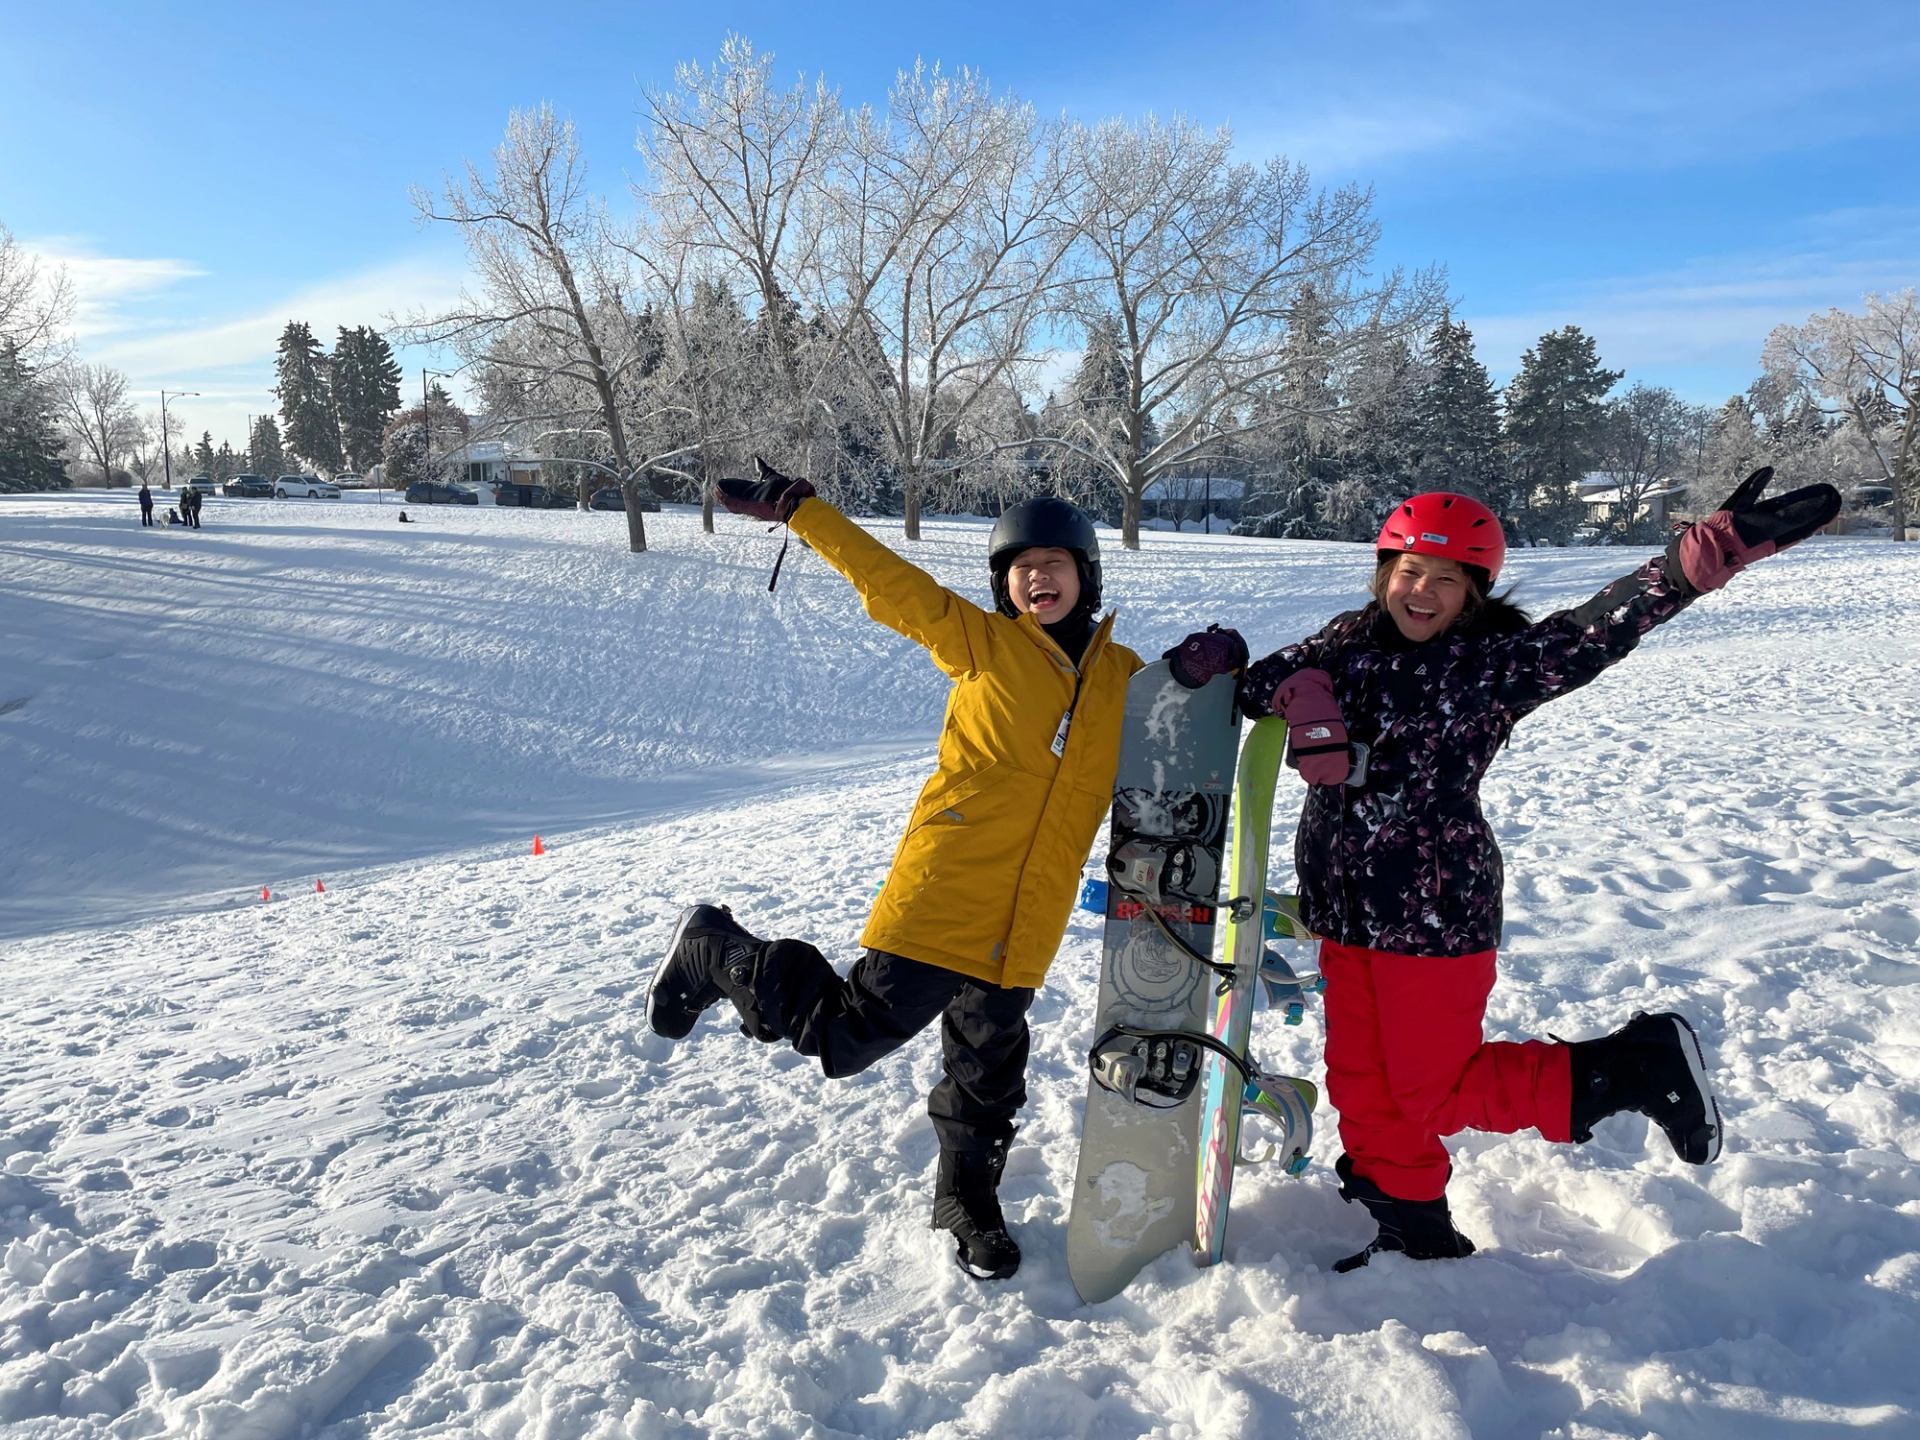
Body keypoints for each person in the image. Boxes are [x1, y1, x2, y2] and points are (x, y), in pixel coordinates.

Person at [1167, 468, 1838, 1272]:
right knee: (1360, 1084)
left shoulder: (1493, 667)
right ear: (1386, 574)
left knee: (1432, 1088)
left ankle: (1633, 1065)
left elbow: (1596, 631)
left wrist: (1699, 558)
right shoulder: (1347, 642)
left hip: (1435, 914)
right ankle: (1412, 1228)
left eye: (1446, 581)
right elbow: (1261, 686)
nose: (1422, 592)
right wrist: (1293, 685)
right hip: (1343, 912)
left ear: (1472, 594)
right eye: (1410, 572)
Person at [648, 459, 1233, 1282]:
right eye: (1021, 568)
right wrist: (804, 514)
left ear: (1085, 576)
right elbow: (890, 583)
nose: (1038, 578)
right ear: (1004, 586)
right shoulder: (982, 645)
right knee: (846, 1037)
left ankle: (967, 1201)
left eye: (1054, 565)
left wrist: (1202, 674)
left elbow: (1175, 716)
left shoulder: (1122, 680)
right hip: (946, 892)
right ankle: (715, 948)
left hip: (1027, 919)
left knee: (991, 1067)